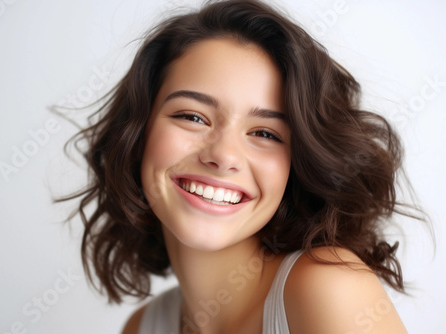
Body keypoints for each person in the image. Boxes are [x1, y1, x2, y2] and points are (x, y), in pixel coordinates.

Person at [58, 0, 426, 333]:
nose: (224, 156)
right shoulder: (143, 327)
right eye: (193, 117)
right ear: (136, 133)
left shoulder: (328, 288)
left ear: (297, 165)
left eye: (265, 133)